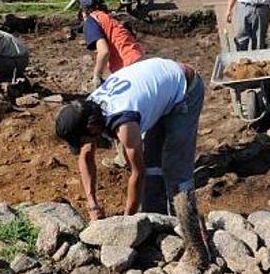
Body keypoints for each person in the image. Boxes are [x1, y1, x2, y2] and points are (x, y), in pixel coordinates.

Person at [55, 57, 204, 226]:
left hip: (185, 88)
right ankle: (156, 221)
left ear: (92, 128)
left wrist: (126, 223)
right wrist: (92, 204)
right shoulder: (87, 109)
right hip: (158, 89)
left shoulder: (124, 123)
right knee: (152, 164)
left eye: (82, 140)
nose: (83, 144)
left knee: (175, 167)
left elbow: (137, 173)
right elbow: (86, 155)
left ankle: (188, 227)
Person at [80, 0, 145, 88]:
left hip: (127, 65)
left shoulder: (91, 20)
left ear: (85, 11)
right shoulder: (109, 18)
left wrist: (96, 76)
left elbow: (104, 52)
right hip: (140, 58)